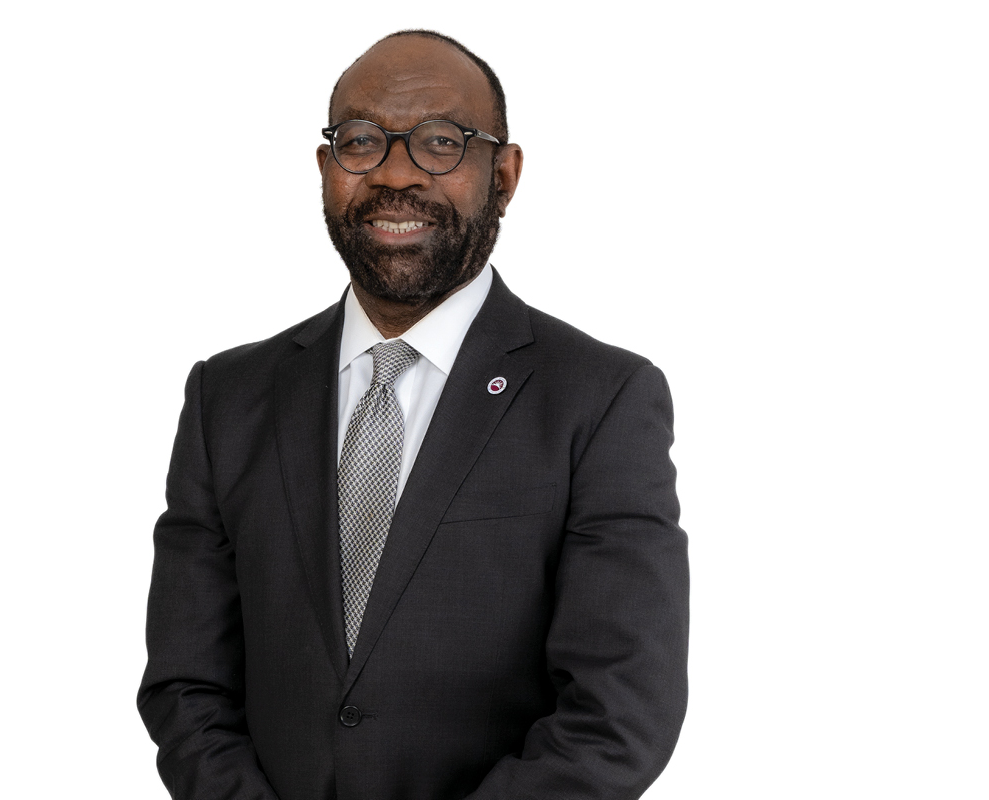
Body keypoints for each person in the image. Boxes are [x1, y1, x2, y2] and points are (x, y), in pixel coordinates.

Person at [138, 29, 689, 800]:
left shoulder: (600, 399)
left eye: (441, 142)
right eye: (361, 140)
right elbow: (186, 687)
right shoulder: (225, 398)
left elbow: (620, 712)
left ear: (505, 175)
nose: (396, 172)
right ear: (326, 168)